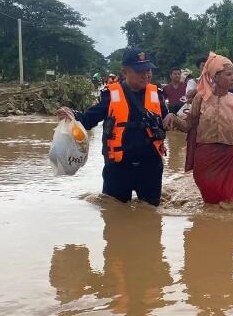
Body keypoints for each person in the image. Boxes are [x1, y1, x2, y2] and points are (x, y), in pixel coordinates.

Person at [56, 48, 171, 205]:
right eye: (139, 71)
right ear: (125, 71)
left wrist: (176, 120)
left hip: (150, 167)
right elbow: (88, 120)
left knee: (152, 218)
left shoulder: (157, 94)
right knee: (113, 217)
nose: (146, 75)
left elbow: (167, 123)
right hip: (118, 168)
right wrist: (72, 116)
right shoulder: (110, 95)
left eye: (148, 70)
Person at [167, 52, 233, 204]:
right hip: (204, 157)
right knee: (210, 202)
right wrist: (173, 118)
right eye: (228, 74)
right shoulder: (200, 98)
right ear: (215, 77)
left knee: (231, 202)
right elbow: (189, 126)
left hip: (227, 157)